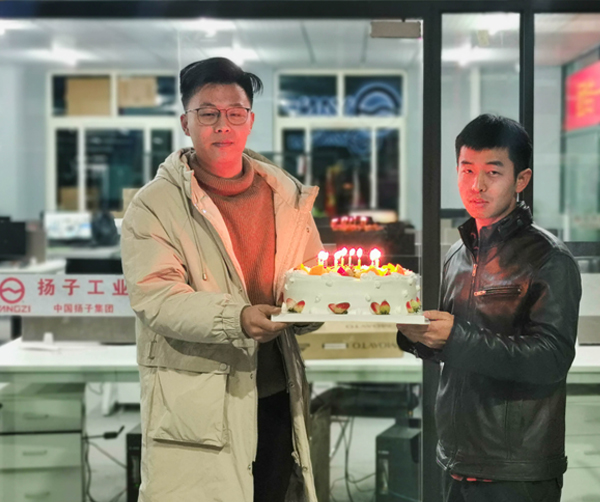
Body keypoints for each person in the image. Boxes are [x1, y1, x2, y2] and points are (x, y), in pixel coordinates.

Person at [121, 57, 322, 502]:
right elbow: (158, 297)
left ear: (250, 120)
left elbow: (311, 274)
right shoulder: (155, 205)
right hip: (199, 401)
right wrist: (239, 318)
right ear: (185, 123)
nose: (222, 125)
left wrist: (314, 307)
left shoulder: (286, 194)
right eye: (208, 113)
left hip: (276, 393)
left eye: (235, 113)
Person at [397, 114, 581, 502]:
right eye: (467, 170)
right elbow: (453, 349)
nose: (476, 185)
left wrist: (455, 338)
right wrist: (417, 335)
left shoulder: (548, 258)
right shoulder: (458, 254)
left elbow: (551, 359)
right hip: (455, 458)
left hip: (515, 470)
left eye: (492, 172)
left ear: (521, 179)